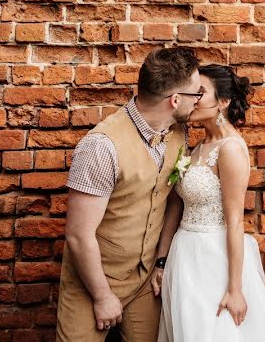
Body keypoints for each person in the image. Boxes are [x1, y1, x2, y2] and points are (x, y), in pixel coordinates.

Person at [56, 47, 204, 342]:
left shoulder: (178, 133)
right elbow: (78, 235)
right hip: (93, 281)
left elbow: (171, 199)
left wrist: (160, 262)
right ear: (175, 101)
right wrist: (101, 296)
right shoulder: (101, 146)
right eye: (196, 94)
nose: (199, 101)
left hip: (145, 280)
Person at [153, 64, 265, 342]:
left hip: (213, 260)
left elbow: (235, 222)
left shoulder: (231, 150)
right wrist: (162, 261)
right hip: (184, 256)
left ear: (223, 102)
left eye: (200, 92)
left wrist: (235, 289)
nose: (194, 98)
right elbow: (176, 207)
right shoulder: (197, 146)